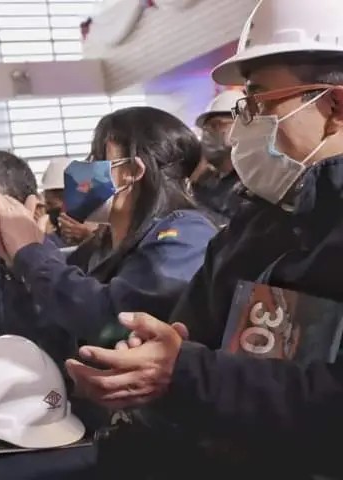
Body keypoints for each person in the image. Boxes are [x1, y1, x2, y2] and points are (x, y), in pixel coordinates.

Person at [63, 0, 343, 478]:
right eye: (243, 105)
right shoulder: (255, 223)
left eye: (260, 102)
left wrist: (185, 373)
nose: (242, 128)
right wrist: (144, 365)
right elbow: (190, 335)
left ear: (334, 105)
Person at [0, 114, 216, 480]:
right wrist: (14, 266)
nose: (83, 171)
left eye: (96, 158)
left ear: (131, 172)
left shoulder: (184, 235)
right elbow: (38, 332)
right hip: (70, 413)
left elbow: (116, 320)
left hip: (141, 433)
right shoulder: (98, 247)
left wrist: (31, 253)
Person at [191, 90, 248, 224]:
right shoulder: (205, 181)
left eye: (216, 125)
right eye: (205, 128)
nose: (206, 133)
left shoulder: (251, 183)